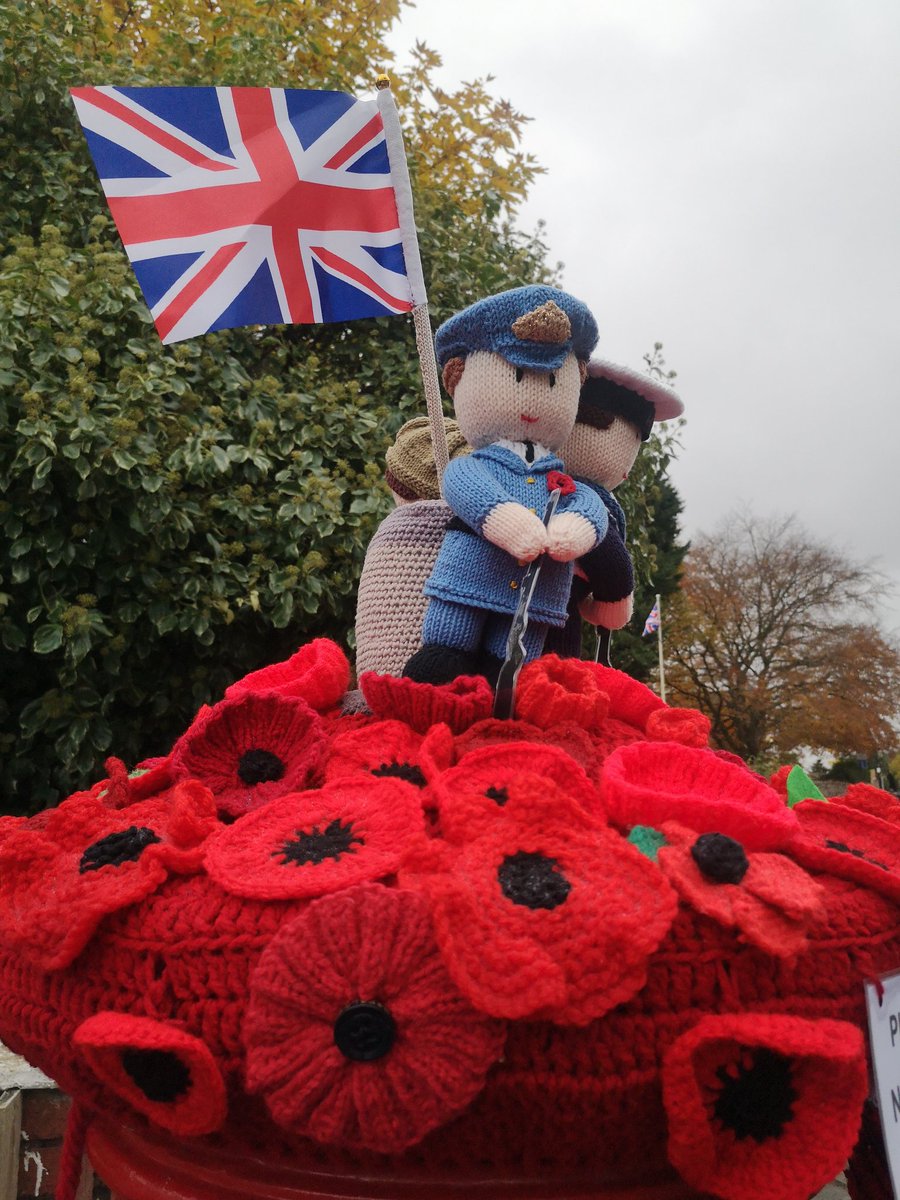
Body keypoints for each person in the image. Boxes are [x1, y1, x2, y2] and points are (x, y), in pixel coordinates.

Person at [403, 285, 606, 685]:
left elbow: (588, 505)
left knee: (512, 671)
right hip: (468, 578)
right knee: (446, 651)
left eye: (552, 383)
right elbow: (462, 483)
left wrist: (575, 528)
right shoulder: (475, 465)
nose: (532, 401)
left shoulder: (560, 479)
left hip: (532, 600)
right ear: (456, 376)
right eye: (514, 377)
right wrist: (505, 518)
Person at [548, 359, 684, 657]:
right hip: (555, 610)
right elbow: (610, 564)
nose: (626, 468)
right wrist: (613, 606)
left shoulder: (527, 481)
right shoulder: (583, 500)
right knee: (554, 670)